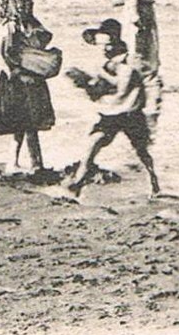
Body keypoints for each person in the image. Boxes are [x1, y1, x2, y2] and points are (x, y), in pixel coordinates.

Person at [59, 19, 160, 200]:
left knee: (142, 151)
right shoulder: (107, 62)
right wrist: (86, 83)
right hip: (111, 113)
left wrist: (96, 79)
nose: (104, 49)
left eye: (108, 45)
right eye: (102, 45)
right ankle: (78, 183)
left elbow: (128, 85)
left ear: (116, 42)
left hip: (130, 112)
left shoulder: (129, 60)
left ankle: (154, 183)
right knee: (93, 145)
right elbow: (102, 89)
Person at [0, 0, 56, 175]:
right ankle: (33, 164)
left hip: (32, 78)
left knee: (27, 124)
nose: (26, 4)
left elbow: (44, 38)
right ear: (12, 3)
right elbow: (2, 53)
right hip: (17, 80)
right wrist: (12, 72)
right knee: (25, 124)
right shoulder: (9, 26)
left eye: (28, 0)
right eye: (21, 1)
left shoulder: (31, 23)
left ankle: (19, 162)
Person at [120, 0, 161, 135]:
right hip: (137, 22)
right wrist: (137, 20)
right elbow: (132, 4)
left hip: (145, 17)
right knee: (137, 52)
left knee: (147, 52)